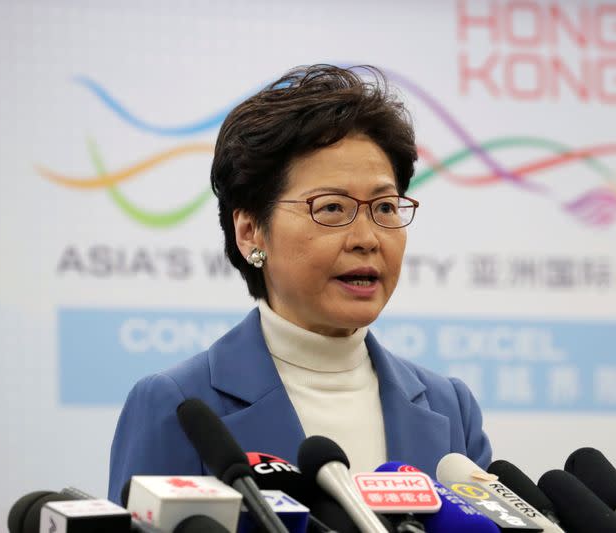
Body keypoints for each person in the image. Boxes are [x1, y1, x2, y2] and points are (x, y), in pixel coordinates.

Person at [107, 64, 491, 504]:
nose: (367, 239)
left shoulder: (449, 407)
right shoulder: (181, 405)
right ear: (251, 231)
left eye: (384, 207)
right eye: (331, 208)